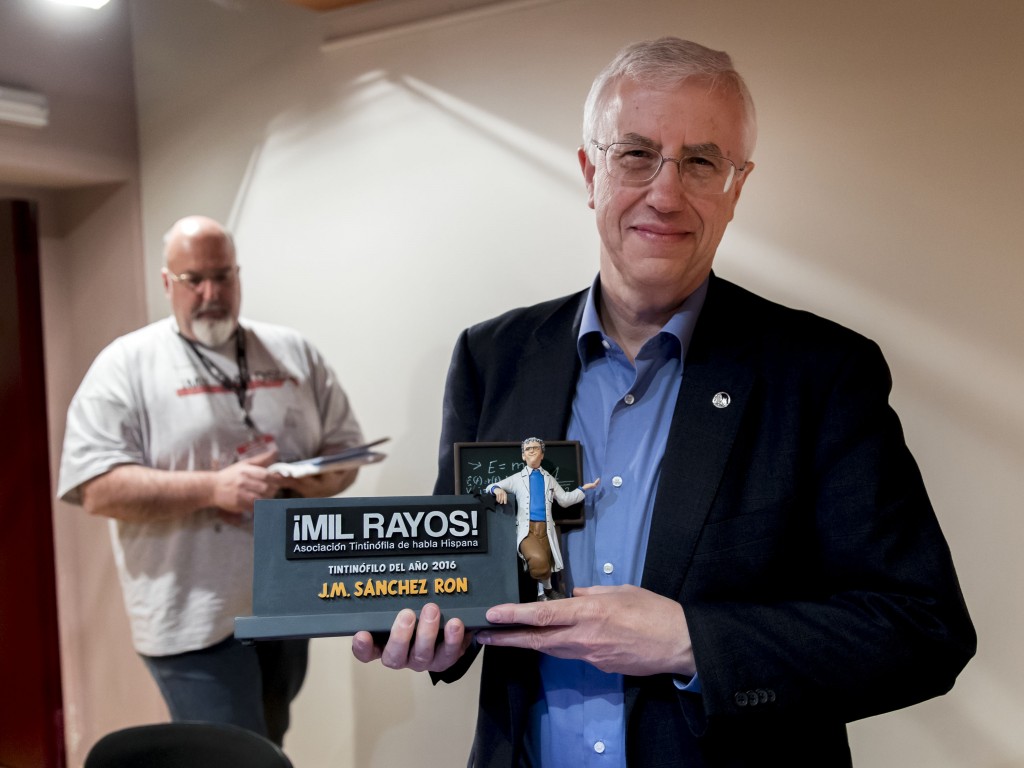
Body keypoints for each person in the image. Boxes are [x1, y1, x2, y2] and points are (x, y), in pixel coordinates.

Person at [352, 37, 976, 765]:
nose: (667, 192)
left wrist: (688, 641)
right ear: (590, 173)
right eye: (636, 154)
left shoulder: (823, 374)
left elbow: (921, 630)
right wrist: (430, 635)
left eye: (702, 162)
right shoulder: (493, 358)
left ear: (736, 188)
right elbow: (463, 567)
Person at [58, 215, 365, 746]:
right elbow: (97, 487)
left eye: (222, 276)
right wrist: (212, 488)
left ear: (238, 275)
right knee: (228, 754)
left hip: (284, 604)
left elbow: (345, 452)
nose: (210, 293)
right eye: (192, 280)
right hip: (191, 620)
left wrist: (294, 483)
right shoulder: (126, 365)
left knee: (270, 744)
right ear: (165, 282)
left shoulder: (293, 352)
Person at [486, 437, 600, 601]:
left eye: (535, 448)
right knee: (539, 561)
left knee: (546, 559)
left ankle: (543, 593)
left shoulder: (549, 479)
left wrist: (583, 489)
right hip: (527, 530)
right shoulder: (517, 479)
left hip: (546, 529)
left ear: (542, 454)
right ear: (523, 456)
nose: (531, 451)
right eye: (527, 449)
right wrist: (496, 490)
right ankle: (546, 590)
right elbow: (490, 486)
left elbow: (565, 500)